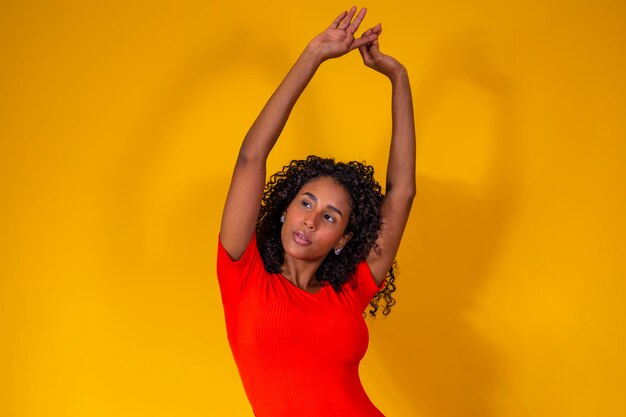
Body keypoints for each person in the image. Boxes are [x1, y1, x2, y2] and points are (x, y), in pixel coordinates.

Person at [217, 6, 415, 416]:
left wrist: (399, 78)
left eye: (329, 216)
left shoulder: (350, 291)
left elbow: (401, 194)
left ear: (344, 238)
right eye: (305, 203)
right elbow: (251, 157)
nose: (310, 219)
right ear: (286, 210)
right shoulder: (243, 272)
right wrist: (314, 55)